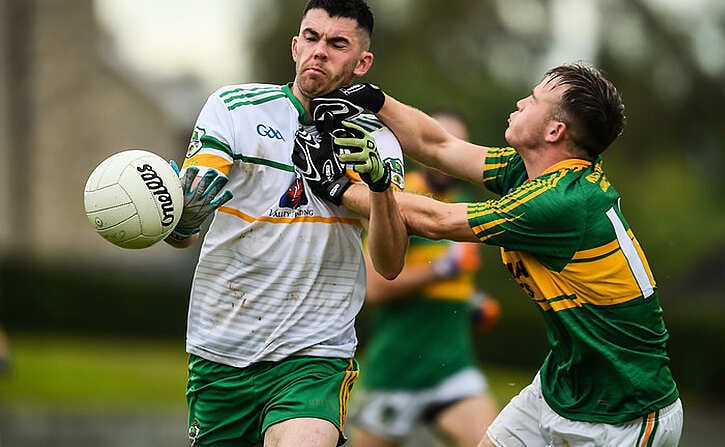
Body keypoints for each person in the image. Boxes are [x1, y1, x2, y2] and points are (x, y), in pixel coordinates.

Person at [297, 63, 683, 446]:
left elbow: (437, 220)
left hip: (625, 413)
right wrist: (375, 99)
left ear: (554, 131)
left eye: (532, 100)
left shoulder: (560, 202)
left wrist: (339, 188)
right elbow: (439, 145)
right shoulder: (531, 172)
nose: (519, 102)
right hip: (561, 387)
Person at [164, 1, 407, 446]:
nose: (320, 51)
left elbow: (390, 264)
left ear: (361, 62)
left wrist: (379, 188)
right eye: (311, 38)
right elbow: (183, 233)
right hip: (221, 352)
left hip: (314, 355)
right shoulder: (233, 109)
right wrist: (184, 224)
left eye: (337, 44)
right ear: (295, 46)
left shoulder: (376, 138)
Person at [349, 112, 500, 447]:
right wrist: (442, 268)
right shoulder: (395, 197)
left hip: (452, 368)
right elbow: (375, 287)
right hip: (395, 371)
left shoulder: (464, 206)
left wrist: (472, 303)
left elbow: (451, 284)